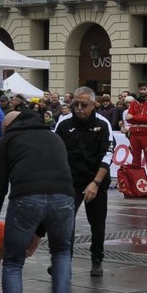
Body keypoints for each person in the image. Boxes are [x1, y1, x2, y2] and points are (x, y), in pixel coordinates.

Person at [0, 109, 78, 293]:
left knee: (13, 263)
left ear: (9, 126)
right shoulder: (54, 137)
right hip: (65, 199)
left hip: (26, 199)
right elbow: (54, 182)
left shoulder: (8, 141)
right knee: (62, 252)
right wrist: (39, 232)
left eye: (3, 128)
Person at [55, 87, 120, 276]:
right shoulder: (64, 123)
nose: (79, 108)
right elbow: (56, 152)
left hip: (96, 178)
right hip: (71, 180)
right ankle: (64, 260)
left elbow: (108, 155)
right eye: (76, 104)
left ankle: (97, 259)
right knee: (66, 221)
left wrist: (96, 182)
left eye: (84, 105)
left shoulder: (103, 124)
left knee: (97, 223)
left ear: (93, 105)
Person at [122, 83, 147, 196]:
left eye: (144, 89)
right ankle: (137, 186)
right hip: (134, 135)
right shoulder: (134, 103)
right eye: (140, 89)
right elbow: (127, 118)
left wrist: (134, 117)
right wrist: (136, 119)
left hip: (146, 136)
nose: (142, 91)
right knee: (135, 162)